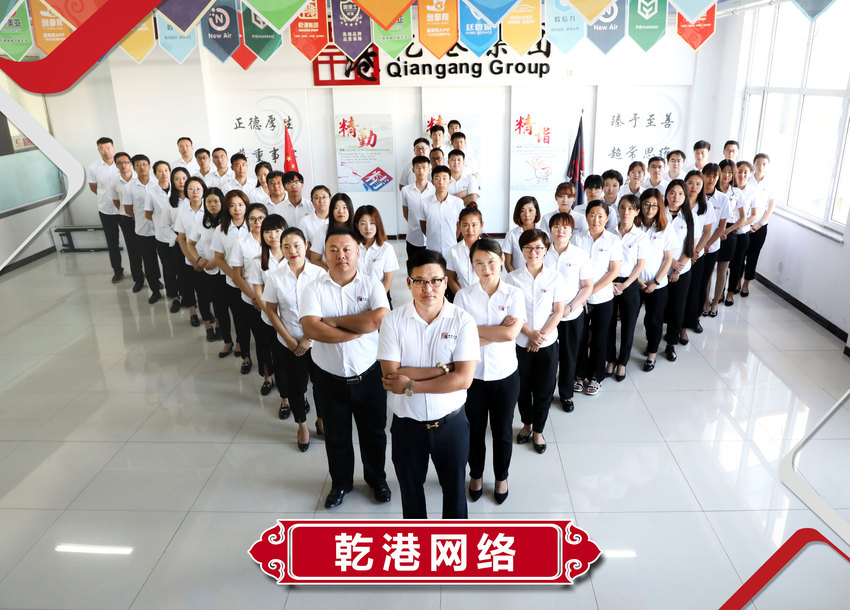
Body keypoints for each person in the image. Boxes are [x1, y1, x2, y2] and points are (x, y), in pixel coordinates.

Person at [378, 249, 478, 518]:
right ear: (408, 283)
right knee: (410, 496)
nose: (428, 288)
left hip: (451, 424)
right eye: (420, 281)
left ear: (446, 282)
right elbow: (392, 376)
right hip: (407, 426)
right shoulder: (393, 321)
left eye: (435, 280)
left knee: (455, 494)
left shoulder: (463, 321)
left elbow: (463, 379)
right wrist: (444, 370)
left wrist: (410, 384)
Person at [300, 226, 391, 510]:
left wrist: (335, 322)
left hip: (369, 374)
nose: (341, 255)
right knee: (336, 435)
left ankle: (376, 479)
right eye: (334, 250)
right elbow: (311, 328)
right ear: (325, 254)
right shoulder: (313, 288)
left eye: (347, 249)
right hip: (329, 378)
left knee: (374, 433)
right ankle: (341, 483)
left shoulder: (371, 285)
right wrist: (357, 328)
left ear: (357, 253)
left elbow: (378, 320)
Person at [454, 239, 524, 504]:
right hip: (473, 376)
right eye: (479, 263)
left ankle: (501, 477)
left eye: (492, 262)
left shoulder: (513, 294)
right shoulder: (463, 296)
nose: (486, 269)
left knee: (502, 430)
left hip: (505, 374)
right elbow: (459, 338)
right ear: (472, 265)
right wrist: (495, 331)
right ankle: (476, 474)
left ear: (501, 261)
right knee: (474, 430)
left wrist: (475, 332)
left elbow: (510, 334)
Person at [263, 226, 326, 449]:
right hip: (289, 342)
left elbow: (326, 310)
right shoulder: (275, 277)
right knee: (296, 387)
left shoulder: (319, 274)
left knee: (321, 385)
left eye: (297, 245)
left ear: (306, 246)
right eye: (286, 247)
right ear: (281, 249)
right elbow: (271, 311)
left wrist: (309, 339)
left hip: (317, 342)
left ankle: (321, 419)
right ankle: (302, 425)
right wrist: (289, 340)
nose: (292, 251)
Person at [507, 229, 565, 453]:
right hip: (521, 343)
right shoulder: (512, 278)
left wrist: (539, 336)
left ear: (546, 249)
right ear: (521, 250)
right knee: (522, 388)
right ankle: (527, 424)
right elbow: (511, 314)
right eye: (528, 248)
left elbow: (558, 311)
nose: (534, 252)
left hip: (547, 344)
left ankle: (539, 430)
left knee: (544, 388)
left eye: (539, 248)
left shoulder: (555, 277)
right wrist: (529, 333)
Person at [543, 213, 593, 412]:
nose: (560, 231)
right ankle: (545, 394)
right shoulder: (542, 253)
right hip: (546, 315)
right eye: (556, 227)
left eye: (565, 227)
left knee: (569, 355)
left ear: (572, 231)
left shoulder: (580, 255)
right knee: (548, 357)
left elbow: (587, 286)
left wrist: (571, 307)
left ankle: (566, 394)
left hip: (571, 314)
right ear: (550, 230)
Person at [572, 201, 622, 395]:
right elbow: (573, 268)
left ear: (607, 218)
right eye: (592, 215)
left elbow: (613, 271)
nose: (596, 220)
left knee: (600, 339)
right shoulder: (577, 238)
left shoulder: (613, 240)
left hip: (603, 298)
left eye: (600, 216)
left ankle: (595, 377)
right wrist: (582, 293)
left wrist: (590, 291)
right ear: (586, 217)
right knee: (580, 338)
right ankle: (578, 375)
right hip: (579, 299)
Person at [229, 203, 276, 391]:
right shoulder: (241, 243)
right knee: (262, 341)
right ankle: (267, 376)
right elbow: (237, 275)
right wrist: (255, 298)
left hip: (276, 302)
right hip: (252, 302)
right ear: (247, 222)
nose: (257, 222)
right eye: (252, 219)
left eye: (261, 218)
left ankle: (283, 377)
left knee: (277, 341)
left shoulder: (276, 240)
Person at [249, 214, 291, 407]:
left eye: (277, 231)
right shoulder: (258, 261)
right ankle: (285, 399)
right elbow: (258, 293)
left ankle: (300, 396)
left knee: (293, 361)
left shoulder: (295, 257)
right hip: (269, 319)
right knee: (277, 358)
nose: (273, 235)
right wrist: (273, 316)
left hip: (293, 319)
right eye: (268, 231)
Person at [606, 195, 648, 381]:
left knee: (628, 325)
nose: (625, 212)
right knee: (608, 324)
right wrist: (609, 283)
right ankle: (610, 359)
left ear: (637, 212)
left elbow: (640, 265)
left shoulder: (641, 236)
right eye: (622, 207)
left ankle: (622, 362)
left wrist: (625, 284)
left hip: (629, 283)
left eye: (630, 208)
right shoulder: (609, 233)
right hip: (609, 281)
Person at [636, 189, 675, 371]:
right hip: (635, 282)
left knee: (654, 320)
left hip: (658, 284)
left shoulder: (665, 227)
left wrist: (656, 282)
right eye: (646, 204)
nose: (649, 209)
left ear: (659, 207)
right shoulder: (634, 226)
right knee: (635, 319)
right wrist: (638, 280)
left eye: (654, 205)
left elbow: (668, 259)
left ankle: (651, 355)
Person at [211, 190, 252, 366]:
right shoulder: (221, 230)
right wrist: (235, 276)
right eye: (232, 205)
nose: (237, 209)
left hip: (256, 283)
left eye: (241, 205)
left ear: (246, 206)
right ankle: (245, 356)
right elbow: (219, 258)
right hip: (234, 283)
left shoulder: (254, 226)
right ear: (227, 208)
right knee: (240, 320)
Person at [186, 186, 227, 344]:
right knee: (214, 300)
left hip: (227, 270)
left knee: (225, 303)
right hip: (210, 270)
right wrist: (198, 259)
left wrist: (215, 261)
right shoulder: (202, 223)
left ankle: (222, 328)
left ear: (222, 202)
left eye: (216, 201)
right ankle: (212, 327)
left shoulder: (228, 221)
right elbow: (190, 243)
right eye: (209, 202)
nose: (212, 205)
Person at [662, 180, 695, 362]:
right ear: (667, 194)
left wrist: (677, 269)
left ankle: (671, 343)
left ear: (685, 196)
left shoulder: (690, 216)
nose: (676, 197)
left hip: (681, 272)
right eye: (672, 193)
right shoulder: (660, 213)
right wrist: (669, 262)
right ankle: (653, 342)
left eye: (681, 193)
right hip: (660, 270)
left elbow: (690, 245)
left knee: (677, 308)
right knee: (658, 308)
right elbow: (654, 242)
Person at [122, 154, 162, 303]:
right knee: (149, 262)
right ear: (133, 167)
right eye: (138, 165)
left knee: (166, 262)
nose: (142, 167)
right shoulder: (129, 187)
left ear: (149, 166)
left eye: (144, 164)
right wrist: (141, 217)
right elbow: (128, 209)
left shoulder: (158, 183)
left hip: (161, 230)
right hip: (143, 230)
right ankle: (155, 291)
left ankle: (171, 289)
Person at [175, 176, 213, 332]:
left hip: (211, 260)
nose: (195, 191)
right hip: (193, 260)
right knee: (201, 293)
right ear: (186, 192)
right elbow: (181, 238)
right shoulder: (183, 212)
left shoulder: (211, 208)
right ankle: (207, 324)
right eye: (191, 189)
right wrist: (194, 260)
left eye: (198, 188)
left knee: (212, 294)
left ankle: (215, 319)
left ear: (204, 191)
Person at [681, 170, 715, 342]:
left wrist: (695, 252)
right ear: (684, 183)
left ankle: (686, 326)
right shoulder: (678, 202)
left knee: (694, 291)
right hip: (678, 255)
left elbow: (707, 232)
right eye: (690, 183)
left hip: (696, 256)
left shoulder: (706, 206)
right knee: (679, 293)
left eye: (698, 184)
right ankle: (674, 324)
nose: (694, 187)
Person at [151, 164, 189, 315]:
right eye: (177, 179)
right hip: (173, 241)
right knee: (171, 270)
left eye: (184, 178)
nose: (181, 182)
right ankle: (175, 298)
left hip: (191, 242)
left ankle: (187, 297)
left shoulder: (194, 198)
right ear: (173, 181)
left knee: (186, 271)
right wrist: (177, 238)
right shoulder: (169, 201)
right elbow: (164, 225)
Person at [709, 159, 745, 313]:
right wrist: (717, 231)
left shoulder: (736, 192)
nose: (727, 175)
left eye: (730, 172)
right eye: (724, 171)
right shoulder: (711, 189)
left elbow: (742, 218)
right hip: (711, 230)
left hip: (728, 232)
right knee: (708, 271)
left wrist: (726, 231)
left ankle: (715, 302)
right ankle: (705, 302)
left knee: (722, 270)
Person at [700, 163, 734, 318]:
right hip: (696, 246)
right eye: (708, 175)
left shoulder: (723, 198)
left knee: (711, 274)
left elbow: (722, 226)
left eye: (715, 176)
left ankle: (714, 303)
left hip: (712, 246)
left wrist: (707, 244)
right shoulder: (696, 194)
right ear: (703, 175)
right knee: (702, 279)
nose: (711, 179)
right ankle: (704, 302)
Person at [87, 137, 123, 282]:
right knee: (112, 243)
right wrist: (107, 197)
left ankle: (138, 271)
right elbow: (93, 188)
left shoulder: (123, 164)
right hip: (106, 210)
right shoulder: (93, 167)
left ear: (113, 148)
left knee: (134, 243)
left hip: (124, 210)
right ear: (98, 150)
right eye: (102, 148)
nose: (106, 151)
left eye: (108, 147)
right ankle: (117, 271)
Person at [741, 153, 775, 297]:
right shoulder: (747, 180)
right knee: (740, 256)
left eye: (764, 164)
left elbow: (770, 207)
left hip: (760, 226)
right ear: (754, 164)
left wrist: (759, 224)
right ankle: (735, 283)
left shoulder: (770, 184)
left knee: (753, 256)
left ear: (767, 166)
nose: (760, 166)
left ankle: (746, 284)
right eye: (758, 163)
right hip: (744, 224)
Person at [107, 152, 143, 288]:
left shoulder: (139, 178)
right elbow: (116, 201)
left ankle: (154, 279)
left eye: (126, 162)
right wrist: (128, 213)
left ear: (131, 164)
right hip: (127, 219)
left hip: (143, 219)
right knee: (133, 250)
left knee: (146, 250)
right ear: (116, 165)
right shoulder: (114, 181)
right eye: (120, 163)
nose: (123, 165)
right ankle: (138, 279)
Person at [725, 161, 757, 306]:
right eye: (739, 171)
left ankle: (730, 293)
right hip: (725, 232)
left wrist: (738, 225)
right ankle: (720, 292)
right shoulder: (728, 188)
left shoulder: (752, 191)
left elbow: (754, 215)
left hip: (742, 233)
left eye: (745, 172)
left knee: (737, 265)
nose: (742, 175)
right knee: (724, 265)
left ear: (749, 174)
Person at [354, 205, 399, 306]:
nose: (368, 228)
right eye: (363, 223)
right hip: (356, 296)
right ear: (357, 226)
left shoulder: (386, 248)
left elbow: (388, 280)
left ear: (378, 224)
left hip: (380, 296)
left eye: (372, 223)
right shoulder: (352, 247)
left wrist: (375, 300)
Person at [421, 165, 465, 262]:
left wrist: (454, 237)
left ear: (450, 181)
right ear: (432, 182)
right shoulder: (424, 202)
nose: (441, 182)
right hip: (432, 248)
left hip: (451, 248)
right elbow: (423, 224)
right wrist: (432, 235)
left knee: (450, 270)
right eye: (437, 178)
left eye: (444, 178)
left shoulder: (457, 202)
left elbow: (459, 224)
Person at [401, 155, 434, 258]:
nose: (421, 170)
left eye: (424, 167)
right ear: (413, 170)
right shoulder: (405, 190)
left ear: (429, 170)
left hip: (431, 238)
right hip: (412, 237)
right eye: (418, 167)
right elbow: (406, 213)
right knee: (413, 264)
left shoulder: (435, 190)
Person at [310, 193, 354, 269]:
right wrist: (331, 272)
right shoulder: (323, 231)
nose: (341, 211)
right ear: (331, 211)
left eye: (344, 207)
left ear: (349, 210)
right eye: (336, 208)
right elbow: (315, 260)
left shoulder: (357, 230)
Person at [447, 206, 483, 295]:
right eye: (465, 225)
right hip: (461, 298)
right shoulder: (454, 251)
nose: (470, 230)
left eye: (474, 225)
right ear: (459, 225)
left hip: (485, 297)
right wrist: (462, 297)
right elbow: (451, 278)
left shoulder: (489, 249)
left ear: (481, 225)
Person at [503, 196, 541, 272]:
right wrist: (515, 277)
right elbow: (507, 263)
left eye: (530, 210)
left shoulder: (543, 234)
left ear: (536, 212)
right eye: (522, 211)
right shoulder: (511, 235)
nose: (527, 215)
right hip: (517, 277)